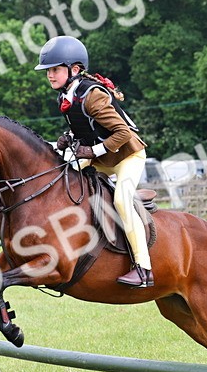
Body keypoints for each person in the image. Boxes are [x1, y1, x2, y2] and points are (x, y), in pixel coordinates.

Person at [35, 35, 152, 287]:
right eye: (48, 71)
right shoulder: (66, 96)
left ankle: (143, 268)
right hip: (101, 156)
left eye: (55, 69)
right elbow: (86, 129)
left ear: (74, 69)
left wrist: (91, 151)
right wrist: (66, 141)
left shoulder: (92, 96)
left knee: (121, 200)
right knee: (64, 180)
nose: (50, 75)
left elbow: (123, 133)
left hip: (126, 156)